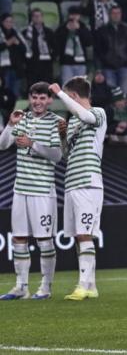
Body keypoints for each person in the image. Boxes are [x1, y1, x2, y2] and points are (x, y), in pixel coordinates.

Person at [0, 83, 64, 300]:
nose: (37, 102)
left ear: (50, 100)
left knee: (44, 240)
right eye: (34, 98)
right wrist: (10, 124)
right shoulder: (22, 118)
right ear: (29, 98)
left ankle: (45, 288)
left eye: (42, 98)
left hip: (43, 191)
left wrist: (32, 144)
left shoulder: (56, 122)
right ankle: (21, 287)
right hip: (20, 190)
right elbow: (3, 145)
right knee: (19, 238)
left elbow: (57, 155)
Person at [49, 76, 107, 301]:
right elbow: (66, 154)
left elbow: (85, 116)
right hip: (71, 182)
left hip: (88, 182)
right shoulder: (72, 121)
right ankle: (91, 286)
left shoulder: (98, 113)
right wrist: (63, 136)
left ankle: (82, 285)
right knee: (77, 235)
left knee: (84, 234)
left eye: (67, 97)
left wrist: (59, 93)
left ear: (72, 95)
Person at [94, 5, 127, 94]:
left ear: (121, 14)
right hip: (108, 66)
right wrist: (104, 60)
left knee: (124, 92)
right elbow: (98, 48)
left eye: (118, 13)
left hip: (124, 65)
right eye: (114, 13)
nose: (116, 15)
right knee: (111, 93)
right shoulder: (102, 30)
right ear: (109, 14)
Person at [55, 7, 92, 84]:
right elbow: (57, 42)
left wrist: (79, 30)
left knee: (80, 87)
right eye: (72, 14)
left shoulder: (83, 27)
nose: (74, 17)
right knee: (67, 86)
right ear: (68, 15)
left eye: (76, 15)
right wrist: (66, 30)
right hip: (66, 62)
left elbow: (89, 42)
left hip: (81, 62)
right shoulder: (62, 27)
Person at [22, 9, 55, 84]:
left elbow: (55, 47)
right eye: (35, 16)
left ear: (42, 17)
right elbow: (23, 49)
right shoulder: (26, 32)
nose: (37, 18)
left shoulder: (49, 32)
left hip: (46, 65)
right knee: (33, 86)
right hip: (32, 65)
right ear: (31, 18)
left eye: (39, 16)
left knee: (46, 86)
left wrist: (52, 57)